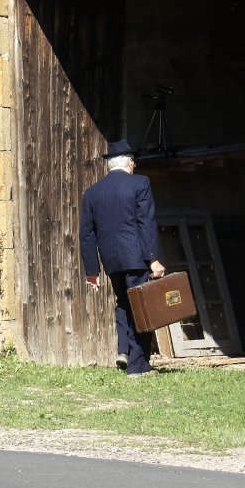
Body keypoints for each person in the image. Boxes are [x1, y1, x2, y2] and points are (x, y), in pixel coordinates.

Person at [80, 138, 165, 377]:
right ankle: (138, 366)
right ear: (129, 162)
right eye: (134, 162)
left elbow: (86, 235)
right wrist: (153, 259)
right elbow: (146, 223)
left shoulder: (92, 192)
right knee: (142, 307)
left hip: (111, 261)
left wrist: (92, 271)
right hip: (136, 257)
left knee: (123, 304)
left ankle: (124, 350)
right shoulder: (140, 183)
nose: (135, 166)